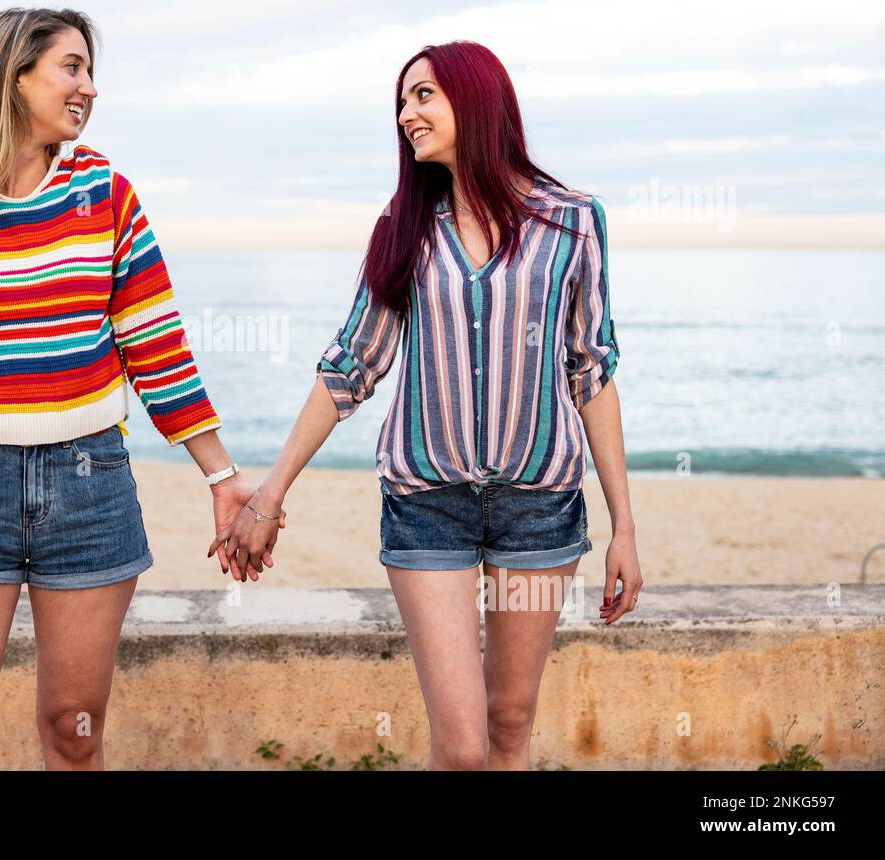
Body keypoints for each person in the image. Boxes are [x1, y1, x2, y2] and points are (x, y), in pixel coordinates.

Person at [0, 7, 281, 770]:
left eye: (89, 70)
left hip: (89, 491)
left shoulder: (106, 193)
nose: (89, 88)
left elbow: (156, 345)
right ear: (14, 77)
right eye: (71, 68)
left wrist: (220, 475)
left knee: (71, 732)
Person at [214, 40, 643, 770]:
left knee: (510, 722)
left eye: (424, 96)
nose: (407, 114)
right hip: (427, 505)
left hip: (539, 506)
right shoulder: (405, 228)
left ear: (477, 100)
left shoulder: (573, 223)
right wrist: (270, 493)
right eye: (403, 100)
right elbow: (355, 363)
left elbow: (592, 371)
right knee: (463, 747)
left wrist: (624, 527)